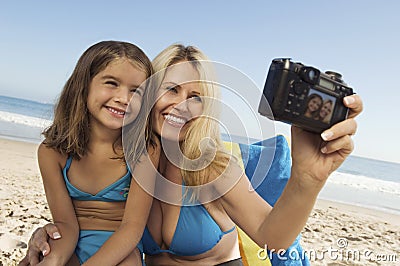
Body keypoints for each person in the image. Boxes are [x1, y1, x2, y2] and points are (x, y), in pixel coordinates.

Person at [20, 44, 363, 265]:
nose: (182, 105)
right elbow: (86, 219)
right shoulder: (125, 160)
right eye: (171, 89)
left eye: (196, 96)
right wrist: (44, 235)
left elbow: (272, 238)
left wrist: (308, 178)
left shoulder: (213, 167)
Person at [26, 40, 159, 265]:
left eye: (136, 91)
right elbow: (65, 225)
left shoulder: (144, 151)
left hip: (121, 248)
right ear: (83, 85)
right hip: (72, 240)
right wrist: (54, 260)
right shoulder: (51, 152)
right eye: (111, 83)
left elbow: (132, 228)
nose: (124, 99)